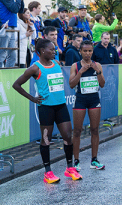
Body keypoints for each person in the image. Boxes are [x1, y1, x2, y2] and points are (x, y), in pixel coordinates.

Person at [12, 39, 82, 183]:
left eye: (54, 49)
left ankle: (70, 168)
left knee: (68, 136)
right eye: (51, 49)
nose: (54, 51)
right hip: (46, 108)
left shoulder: (56, 63)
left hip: (61, 106)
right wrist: (32, 98)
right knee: (46, 140)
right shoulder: (35, 68)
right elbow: (16, 85)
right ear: (42, 51)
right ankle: (48, 172)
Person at [69, 40, 106, 171]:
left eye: (90, 51)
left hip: (94, 99)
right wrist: (81, 72)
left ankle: (94, 160)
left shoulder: (97, 65)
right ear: (80, 52)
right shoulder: (75, 65)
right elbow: (71, 84)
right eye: (85, 51)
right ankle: (76, 161)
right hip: (80, 99)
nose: (87, 53)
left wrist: (98, 72)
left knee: (95, 130)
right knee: (77, 131)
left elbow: (102, 84)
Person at [0, 0, 25, 68]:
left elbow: (20, 10)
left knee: (13, 54)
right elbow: (14, 9)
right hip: (5, 27)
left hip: (12, 26)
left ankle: (8, 73)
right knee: (2, 53)